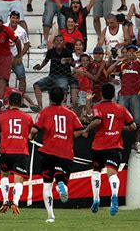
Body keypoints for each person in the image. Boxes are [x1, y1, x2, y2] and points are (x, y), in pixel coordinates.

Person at [29, 87, 84, 223]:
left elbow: (35, 129)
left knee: (47, 185)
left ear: (50, 98)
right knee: (61, 178)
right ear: (64, 98)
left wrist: (30, 136)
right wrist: (68, 137)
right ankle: (62, 185)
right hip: (65, 152)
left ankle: (51, 215)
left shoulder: (45, 112)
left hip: (48, 152)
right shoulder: (70, 114)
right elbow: (80, 130)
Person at [82, 83, 136, 215]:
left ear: (101, 94)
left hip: (99, 147)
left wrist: (86, 130)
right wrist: (119, 129)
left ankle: (96, 199)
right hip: (114, 146)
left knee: (96, 171)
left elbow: (95, 120)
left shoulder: (98, 107)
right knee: (112, 174)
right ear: (113, 95)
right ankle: (115, 197)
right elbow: (133, 126)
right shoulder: (121, 109)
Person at [107, 45, 140, 153]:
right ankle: (120, 141)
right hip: (123, 95)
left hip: (136, 94)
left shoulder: (139, 63)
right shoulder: (123, 64)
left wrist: (139, 58)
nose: (131, 53)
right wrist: (118, 61)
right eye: (129, 51)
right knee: (120, 120)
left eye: (133, 51)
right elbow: (108, 71)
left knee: (137, 121)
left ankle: (137, 142)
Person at [0, 92, 33, 215]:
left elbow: (1, 133)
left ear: (9, 102)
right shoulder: (27, 118)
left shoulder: (1, 117)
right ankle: (15, 202)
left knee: (4, 176)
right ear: (21, 103)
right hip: (21, 151)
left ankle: (5, 200)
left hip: (6, 151)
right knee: (19, 179)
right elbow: (29, 135)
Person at [33, 35, 73, 109]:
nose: (59, 42)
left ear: (64, 42)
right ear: (54, 42)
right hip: (51, 76)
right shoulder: (51, 52)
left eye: (61, 40)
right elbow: (46, 60)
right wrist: (40, 67)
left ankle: (62, 107)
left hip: (63, 77)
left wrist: (68, 60)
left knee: (63, 88)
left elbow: (73, 63)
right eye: (57, 40)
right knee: (36, 85)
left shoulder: (67, 52)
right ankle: (40, 107)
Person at [7, 11, 30, 94]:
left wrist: (20, 56)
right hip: (5, 57)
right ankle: (5, 99)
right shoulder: (4, 27)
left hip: (16, 57)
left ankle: (21, 100)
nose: (15, 20)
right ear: (10, 18)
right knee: (3, 79)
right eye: (13, 17)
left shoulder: (22, 31)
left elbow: (27, 44)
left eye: (17, 18)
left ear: (19, 19)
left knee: (22, 79)